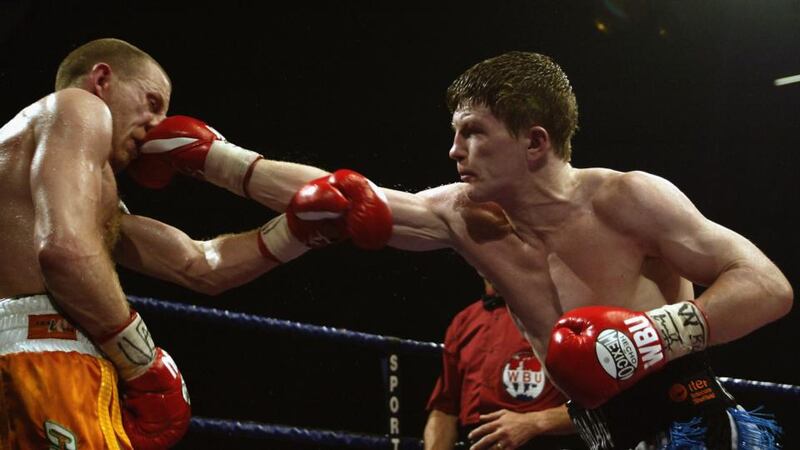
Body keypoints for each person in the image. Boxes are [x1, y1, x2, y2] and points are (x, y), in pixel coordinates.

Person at [132, 51, 792, 449]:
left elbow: (767, 285)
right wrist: (215, 159)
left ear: (534, 142)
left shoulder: (627, 199)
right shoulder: (461, 215)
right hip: (605, 437)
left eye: (473, 133)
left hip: (695, 428)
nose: (454, 151)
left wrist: (649, 336)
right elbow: (344, 197)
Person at [0, 38, 335, 449]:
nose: (156, 126)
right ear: (102, 79)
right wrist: (141, 362)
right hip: (42, 359)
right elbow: (66, 253)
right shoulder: (78, 106)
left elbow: (199, 265)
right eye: (151, 103)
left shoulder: (55, 180)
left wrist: (297, 232)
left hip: (24, 359)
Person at [424, 277, 579, 450]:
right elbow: (445, 409)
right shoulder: (464, 320)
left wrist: (536, 422)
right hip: (475, 441)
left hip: (545, 442)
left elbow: (598, 405)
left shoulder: (559, 316)